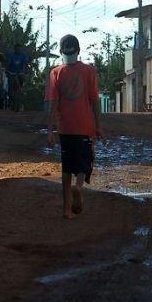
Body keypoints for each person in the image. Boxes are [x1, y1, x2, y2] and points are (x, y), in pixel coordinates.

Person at [46, 35, 104, 219]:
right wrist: (99, 126)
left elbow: (53, 104)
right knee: (84, 163)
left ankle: (66, 209)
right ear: (78, 51)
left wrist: (50, 130)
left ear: (61, 52)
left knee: (66, 168)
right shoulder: (89, 71)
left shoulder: (55, 73)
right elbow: (95, 101)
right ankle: (78, 187)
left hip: (65, 128)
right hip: (85, 127)